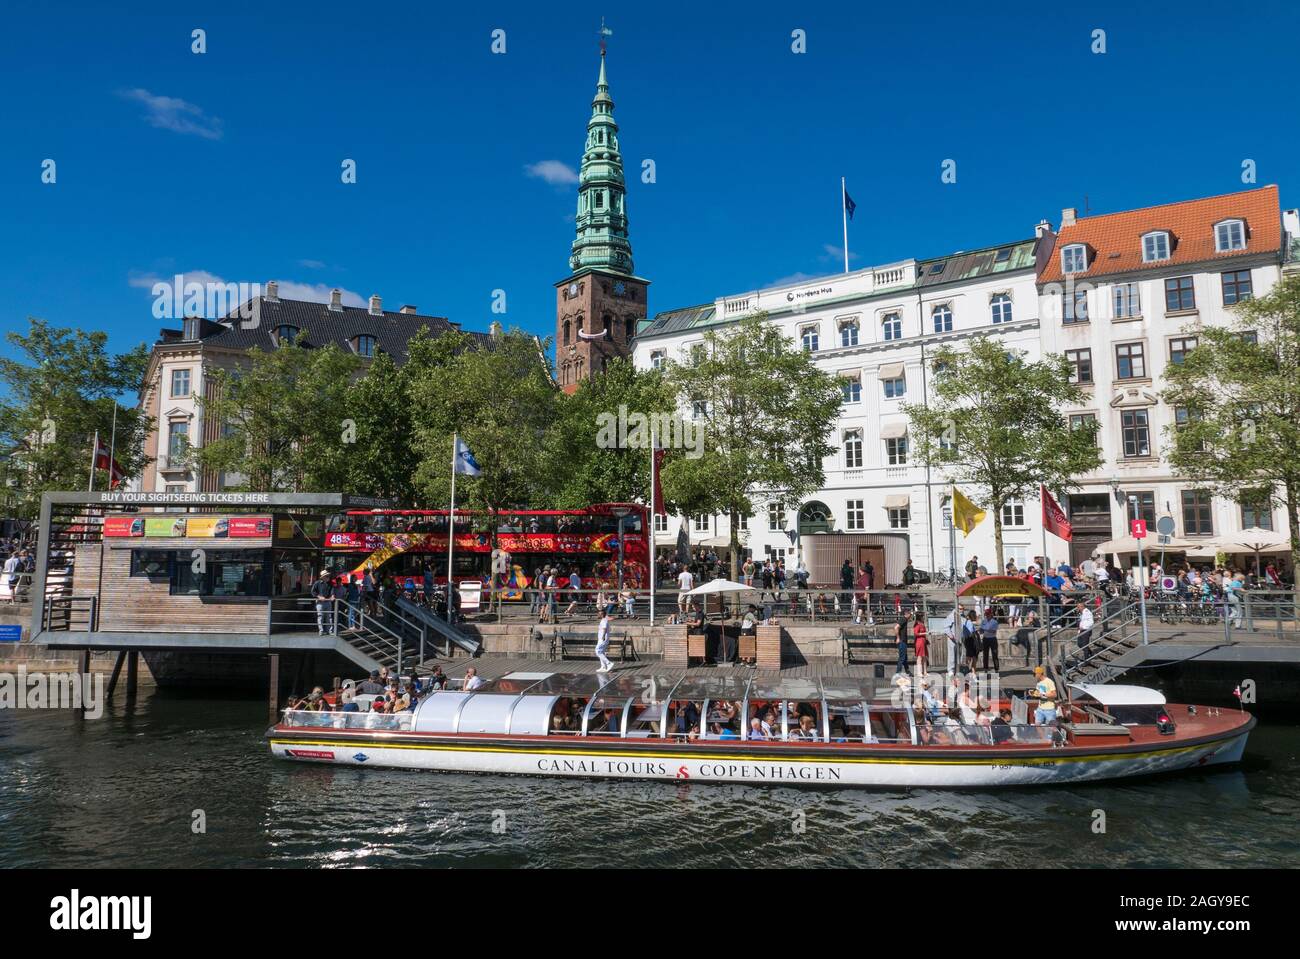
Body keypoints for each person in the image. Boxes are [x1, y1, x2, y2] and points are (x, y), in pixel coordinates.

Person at [312, 570, 335, 635]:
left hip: (328, 601)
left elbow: (332, 591)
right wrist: (319, 596)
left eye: (328, 576)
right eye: (327, 576)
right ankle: (321, 631)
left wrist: (332, 596)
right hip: (320, 602)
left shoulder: (330, 583)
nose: (328, 577)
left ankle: (329, 631)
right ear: (323, 577)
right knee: (320, 616)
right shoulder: (317, 583)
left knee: (329, 617)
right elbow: (313, 591)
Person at [980, 608, 1000, 672]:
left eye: (988, 614)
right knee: (985, 655)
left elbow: (993, 631)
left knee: (995, 655)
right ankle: (985, 669)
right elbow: (981, 631)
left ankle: (996, 669)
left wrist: (984, 628)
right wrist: (984, 629)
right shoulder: (983, 621)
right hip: (985, 639)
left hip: (992, 639)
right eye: (986, 614)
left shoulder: (995, 622)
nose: (987, 615)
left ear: (991, 614)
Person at [913, 609, 929, 676]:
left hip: (923, 641)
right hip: (919, 642)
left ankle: (925, 671)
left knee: (924, 657)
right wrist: (925, 633)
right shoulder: (917, 625)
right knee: (919, 657)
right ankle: (919, 672)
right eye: (922, 616)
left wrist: (926, 639)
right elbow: (916, 633)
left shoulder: (922, 624)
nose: (923, 618)